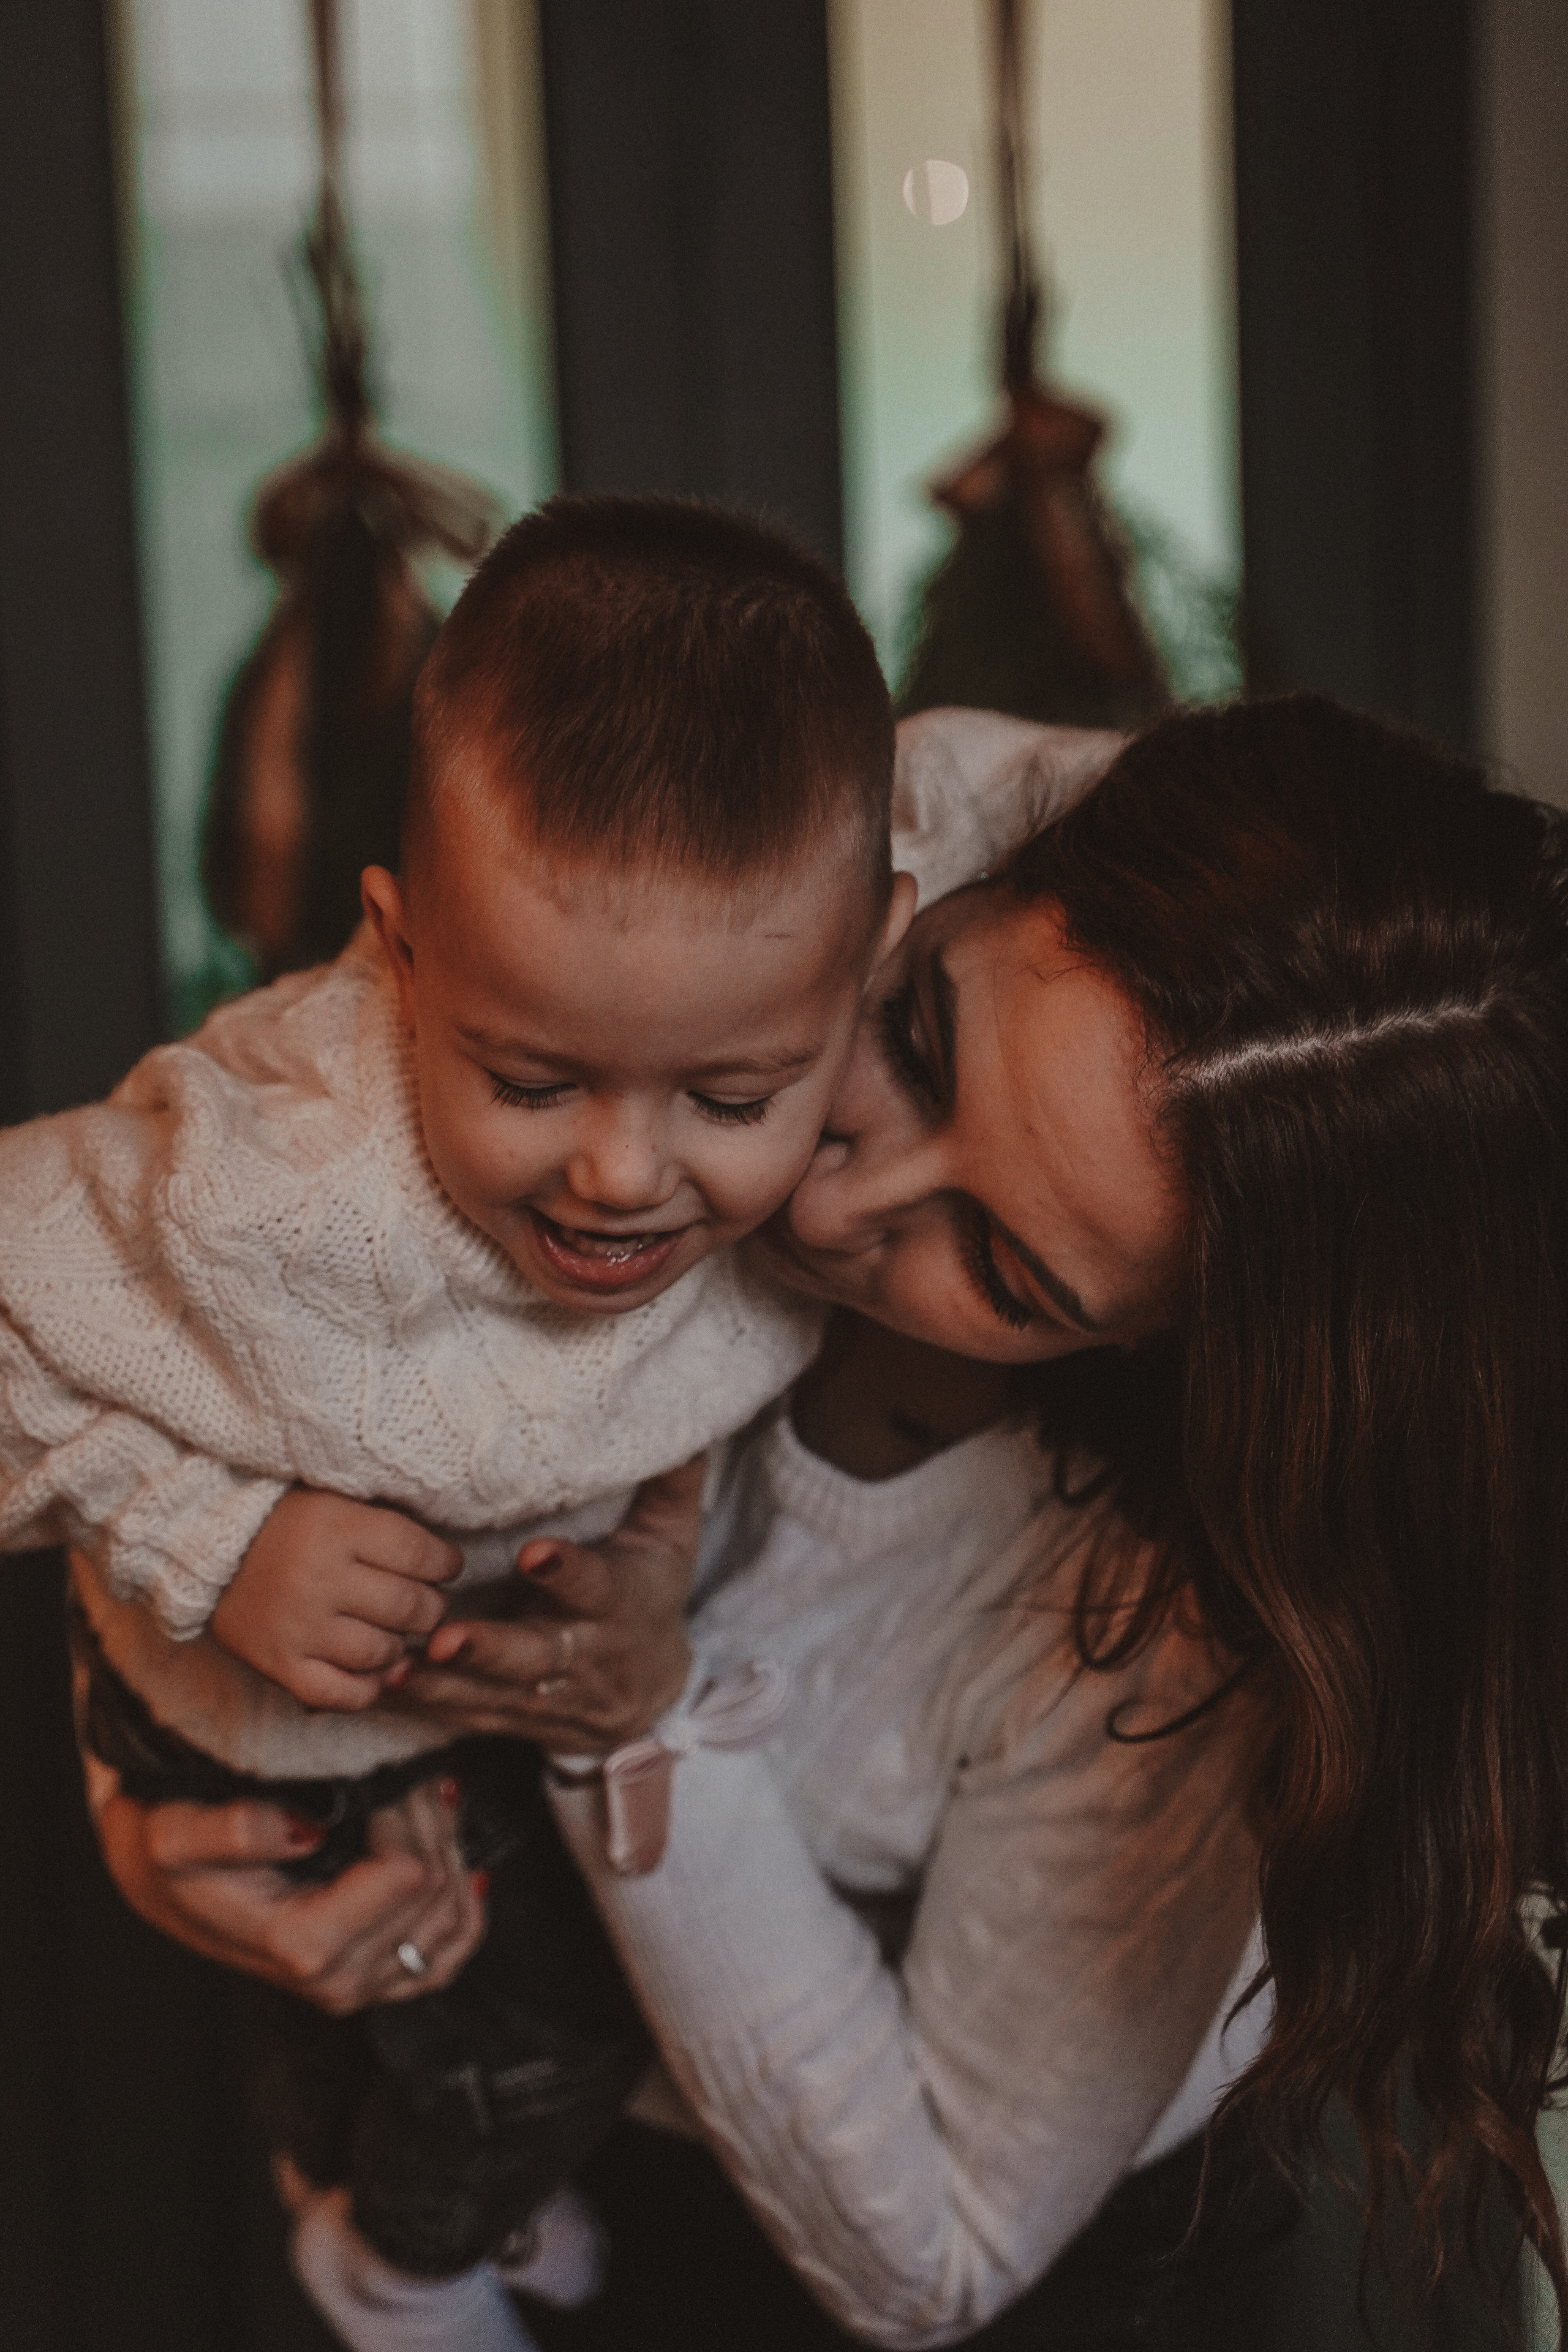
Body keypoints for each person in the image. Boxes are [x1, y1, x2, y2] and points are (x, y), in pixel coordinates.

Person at [89, 693, 1568, 2343]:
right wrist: (154, 1799)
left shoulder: (1168, 1639)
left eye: (1003, 1271)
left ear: (1171, 1352)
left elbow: (932, 2255)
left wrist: (641, 1728)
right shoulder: (806, 888)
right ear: (946, 887)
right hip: (490, 2114)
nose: (831, 1193)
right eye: (918, 1040)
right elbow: (193, 1308)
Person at [0, 494, 949, 2350]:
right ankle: (402, 2278)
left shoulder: (852, 1136)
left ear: (873, 962)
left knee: (469, 2030)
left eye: (729, 1098)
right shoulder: (280, 1180)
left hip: (453, 1697)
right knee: (545, 2039)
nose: (622, 1177)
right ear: (404, 947)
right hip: (229, 1713)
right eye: (529, 1080)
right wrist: (219, 1539)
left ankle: (378, 2175)